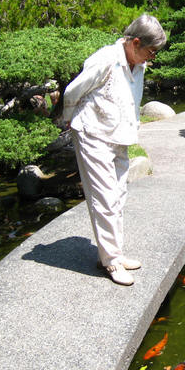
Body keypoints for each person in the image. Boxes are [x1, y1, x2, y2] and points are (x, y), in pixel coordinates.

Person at [62, 14, 167, 285]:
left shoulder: (138, 65)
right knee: (106, 198)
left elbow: (131, 101)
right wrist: (68, 120)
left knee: (118, 194)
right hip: (92, 132)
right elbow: (72, 92)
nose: (151, 58)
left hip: (119, 135)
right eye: (150, 51)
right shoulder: (106, 59)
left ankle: (112, 254)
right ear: (134, 42)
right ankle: (111, 262)